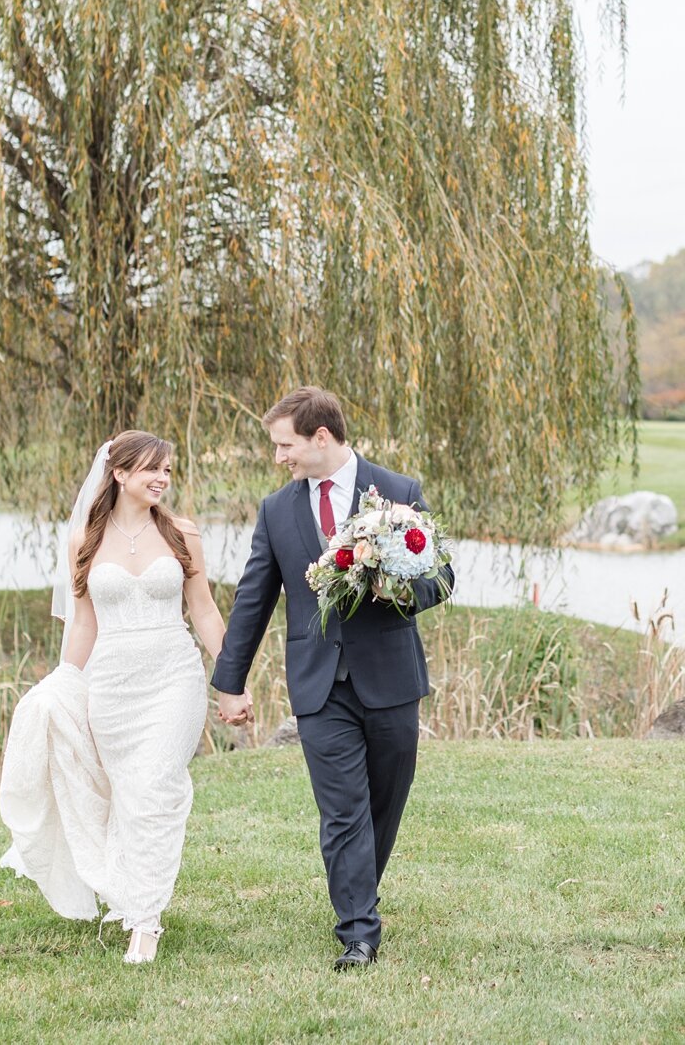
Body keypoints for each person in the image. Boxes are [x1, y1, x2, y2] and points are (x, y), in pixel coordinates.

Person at [211, 387, 453, 970]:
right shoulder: (276, 511)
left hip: (391, 679)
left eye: (284, 445)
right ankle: (359, 934)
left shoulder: (399, 494)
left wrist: (388, 584)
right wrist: (229, 682)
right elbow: (253, 599)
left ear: (322, 438)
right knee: (342, 810)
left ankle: (359, 892)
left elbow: (440, 581)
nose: (279, 458)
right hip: (318, 685)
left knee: (384, 804)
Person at [0, 431, 229, 964]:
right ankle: (131, 893)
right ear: (119, 473)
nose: (162, 479)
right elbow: (83, 622)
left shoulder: (182, 534)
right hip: (112, 683)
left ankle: (144, 924)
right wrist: (64, 682)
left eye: (168, 469)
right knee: (126, 793)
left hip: (173, 676)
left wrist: (231, 678)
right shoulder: (84, 539)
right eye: (152, 469)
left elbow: (205, 611)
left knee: (154, 787)